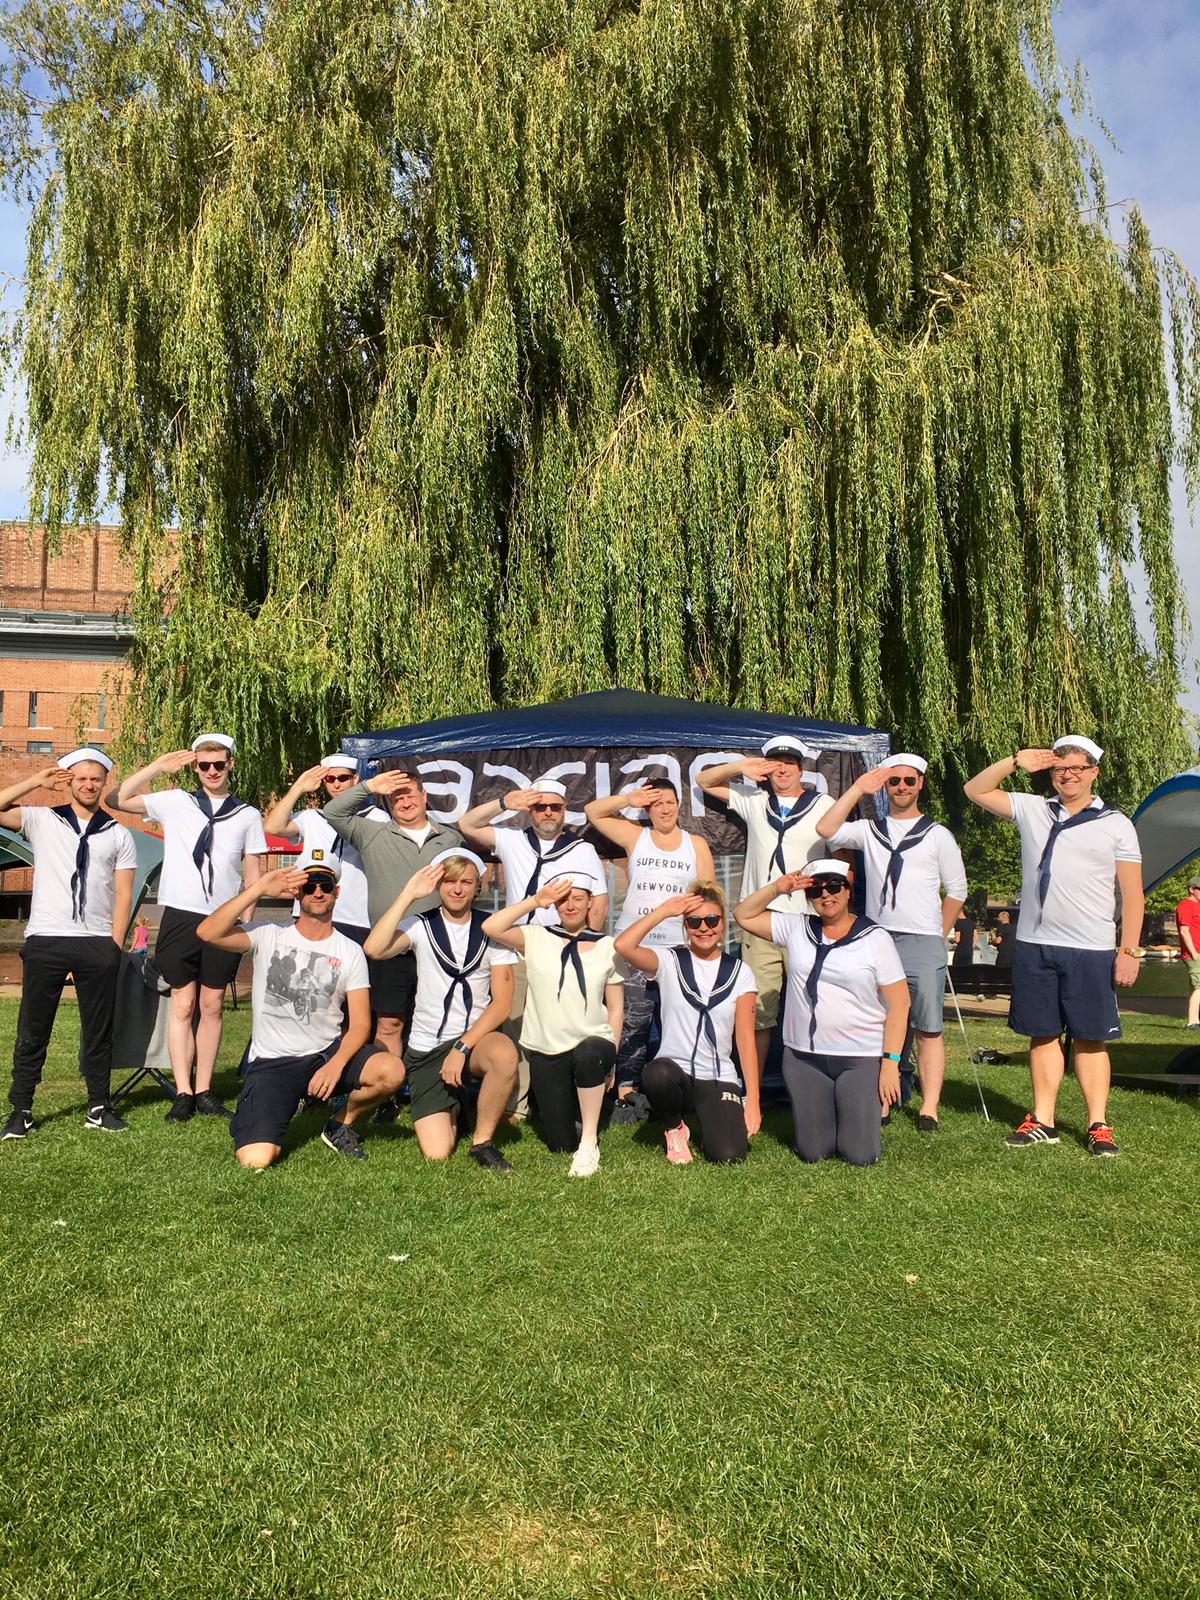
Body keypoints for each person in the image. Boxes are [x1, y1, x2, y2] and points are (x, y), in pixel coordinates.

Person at [964, 736, 1143, 1156]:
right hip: (1035, 944)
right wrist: (1014, 761)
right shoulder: (1033, 809)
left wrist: (1129, 950)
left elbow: (1132, 894)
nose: (1068, 775)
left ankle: (1098, 1124)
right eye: (1060, 768)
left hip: (1091, 947)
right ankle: (1043, 1120)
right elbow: (975, 790)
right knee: (1042, 1034)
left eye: (1078, 768)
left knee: (1090, 1037)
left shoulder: (1116, 823)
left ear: (1094, 773)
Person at [196, 851, 403, 1167]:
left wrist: (336, 1065)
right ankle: (258, 1112)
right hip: (274, 1062)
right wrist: (257, 889)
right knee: (257, 1159)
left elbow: (361, 1024)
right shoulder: (269, 933)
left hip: (327, 1054)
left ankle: (340, 1124)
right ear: (297, 893)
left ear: (337, 892)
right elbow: (207, 932)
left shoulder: (350, 951)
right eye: (309, 886)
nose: (317, 892)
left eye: (325, 885)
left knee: (391, 1072)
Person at [112, 734, 267, 1122]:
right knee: (182, 1003)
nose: (212, 771)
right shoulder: (176, 801)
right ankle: (183, 1091)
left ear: (230, 765)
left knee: (212, 1005)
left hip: (224, 917)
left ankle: (205, 1090)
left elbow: (253, 868)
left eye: (219, 764)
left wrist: (248, 918)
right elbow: (117, 799)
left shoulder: (247, 814)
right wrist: (157, 767)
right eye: (204, 765)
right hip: (181, 914)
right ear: (195, 768)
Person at [815, 752, 967, 1130]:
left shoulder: (937, 835)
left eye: (909, 781)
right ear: (885, 787)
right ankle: (883, 1100)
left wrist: (938, 933)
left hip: (922, 939)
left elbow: (957, 889)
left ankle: (929, 1107)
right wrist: (857, 789)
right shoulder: (870, 830)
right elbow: (826, 829)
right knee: (881, 1024)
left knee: (928, 1027)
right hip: (879, 937)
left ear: (920, 784)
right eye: (894, 781)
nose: (901, 787)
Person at [734, 859, 910, 1166]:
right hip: (804, 1058)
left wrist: (890, 1063)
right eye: (816, 891)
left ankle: (859, 1114)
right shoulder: (796, 928)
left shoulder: (875, 938)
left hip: (859, 1057)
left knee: (860, 1154)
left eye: (833, 887)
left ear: (848, 891)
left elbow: (900, 1003)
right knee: (814, 1152)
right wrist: (778, 888)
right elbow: (743, 915)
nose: (826, 895)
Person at [1, 750, 137, 1138]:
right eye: (81, 778)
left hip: (97, 942)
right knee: (33, 1027)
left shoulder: (118, 833)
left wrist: (114, 945)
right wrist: (34, 782)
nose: (88, 785)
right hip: (47, 937)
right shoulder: (42, 819)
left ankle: (98, 1106)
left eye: (96, 779)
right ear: (69, 781)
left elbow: (123, 895)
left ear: (104, 783)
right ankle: (21, 1110)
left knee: (98, 1030)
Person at [459, 778, 608, 1121]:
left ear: (565, 810)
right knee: (515, 1025)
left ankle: (562, 1099)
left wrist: (586, 943)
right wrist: (503, 803)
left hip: (560, 946)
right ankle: (517, 1104)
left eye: (555, 807)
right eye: (540, 807)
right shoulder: (513, 839)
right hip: (518, 944)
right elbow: (467, 824)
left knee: (562, 1023)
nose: (548, 813)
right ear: (530, 811)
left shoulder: (582, 849)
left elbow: (598, 903)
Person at [363, 851, 519, 1171]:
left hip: (473, 1042)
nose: (457, 889)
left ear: (477, 886)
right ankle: (456, 1104)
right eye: (449, 881)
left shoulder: (491, 928)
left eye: (466, 882)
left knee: (504, 1053)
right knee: (437, 1153)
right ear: (437, 885)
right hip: (428, 1048)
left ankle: (482, 1142)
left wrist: (462, 1047)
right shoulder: (421, 925)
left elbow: (502, 1003)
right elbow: (373, 948)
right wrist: (409, 894)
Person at [698, 737, 836, 1073]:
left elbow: (842, 853)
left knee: (814, 1006)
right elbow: (703, 781)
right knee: (759, 1012)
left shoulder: (823, 804)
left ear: (801, 769)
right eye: (775, 764)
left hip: (806, 919)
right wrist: (740, 766)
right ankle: (754, 1088)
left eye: (789, 763)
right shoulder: (755, 800)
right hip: (759, 920)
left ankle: (814, 1082)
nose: (782, 770)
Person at [586, 779, 716, 1122]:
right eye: (656, 804)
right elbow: (593, 812)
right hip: (635, 948)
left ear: (679, 805)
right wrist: (629, 799)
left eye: (670, 802)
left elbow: (709, 896)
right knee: (632, 1022)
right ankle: (626, 1094)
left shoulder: (695, 844)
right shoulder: (636, 836)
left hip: (677, 950)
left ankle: (681, 1091)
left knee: (679, 1021)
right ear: (647, 809)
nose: (664, 809)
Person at [482, 874, 622, 1177]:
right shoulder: (536, 936)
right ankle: (577, 1118)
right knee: (560, 1144)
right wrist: (535, 901)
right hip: (548, 1048)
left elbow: (615, 1007)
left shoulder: (608, 945)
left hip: (593, 1042)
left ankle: (589, 1141)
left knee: (588, 1055)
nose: (570, 906)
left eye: (578, 899)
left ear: (590, 903)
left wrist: (612, 1058)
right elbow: (491, 927)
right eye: (563, 900)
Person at [322, 764, 464, 1063]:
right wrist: (370, 787)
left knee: (440, 1020)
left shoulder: (451, 840)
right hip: (390, 946)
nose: (405, 802)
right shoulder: (372, 833)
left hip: (439, 947)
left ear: (424, 796)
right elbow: (333, 812)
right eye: (396, 798)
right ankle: (388, 1084)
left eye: (410, 795)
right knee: (389, 1024)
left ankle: (428, 1081)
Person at [613, 881, 758, 1164]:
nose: (704, 928)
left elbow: (745, 1038)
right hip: (675, 1072)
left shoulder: (740, 972)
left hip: (717, 1075)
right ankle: (674, 1127)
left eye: (712, 920)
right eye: (694, 922)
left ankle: (710, 1122)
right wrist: (664, 911)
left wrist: (752, 1099)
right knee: (656, 1073)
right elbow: (623, 945)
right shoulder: (669, 960)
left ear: (723, 923)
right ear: (685, 926)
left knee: (728, 1155)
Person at [262, 754, 386, 945]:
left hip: (355, 917)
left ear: (355, 779)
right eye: (330, 779)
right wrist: (298, 788)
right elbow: (273, 827)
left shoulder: (376, 817)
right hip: (309, 912)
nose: (336, 784)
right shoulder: (312, 817)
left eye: (343, 778)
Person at [1176, 879, 1200, 1029]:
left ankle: (1195, 1020)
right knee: (1199, 985)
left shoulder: (1198, 905)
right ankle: (1191, 1023)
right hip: (1194, 953)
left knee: (1195, 986)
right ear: (1192, 889)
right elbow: (1184, 931)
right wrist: (1194, 953)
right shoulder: (1185, 905)